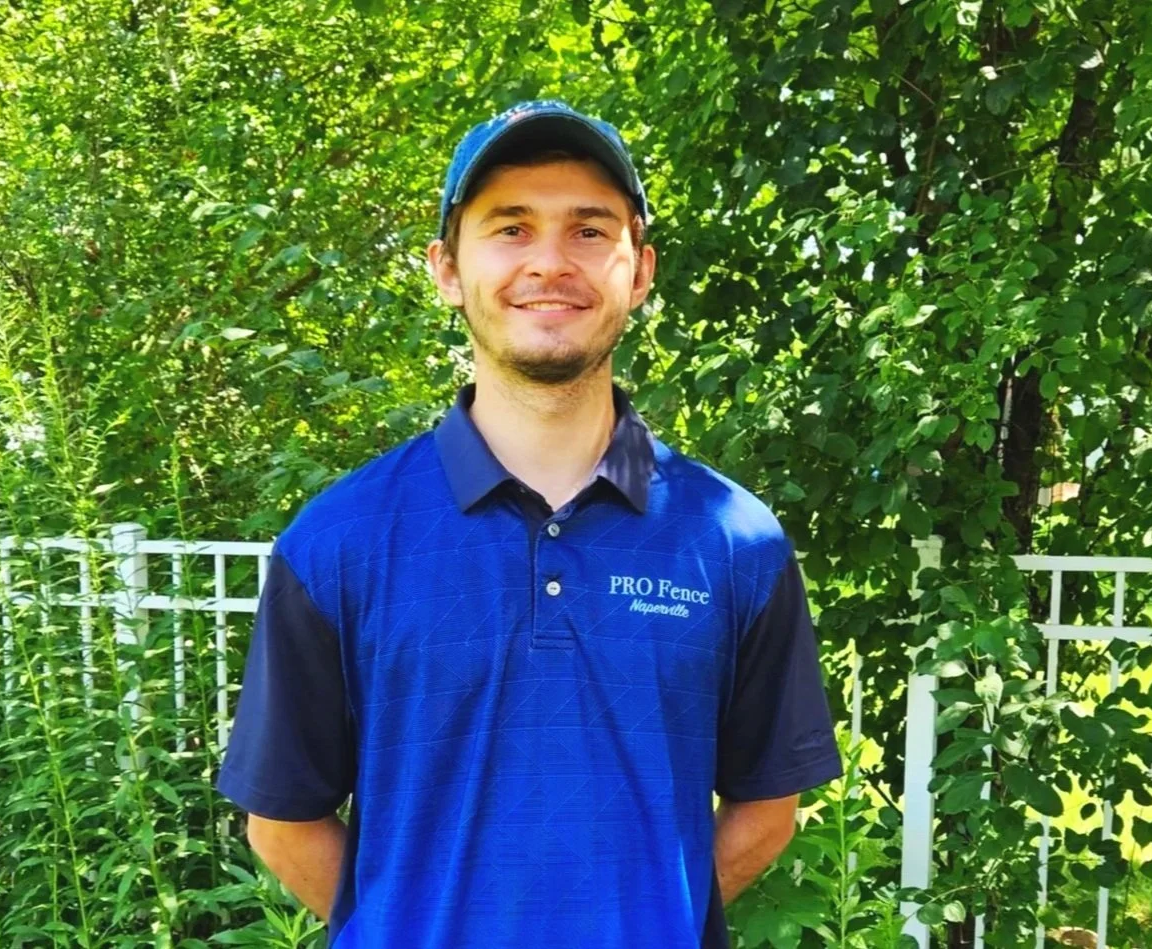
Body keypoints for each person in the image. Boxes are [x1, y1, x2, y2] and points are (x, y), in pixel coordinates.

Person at [214, 99, 843, 949]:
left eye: (589, 230)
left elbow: (769, 805)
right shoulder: (337, 543)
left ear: (640, 270)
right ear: (444, 268)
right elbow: (283, 821)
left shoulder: (732, 540)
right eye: (510, 228)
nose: (549, 261)